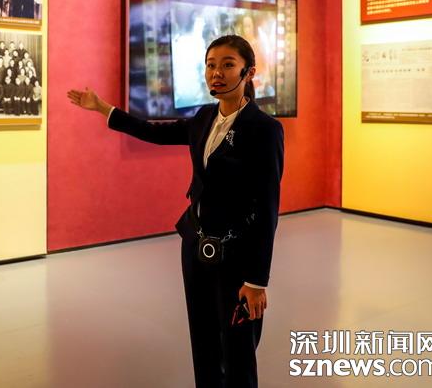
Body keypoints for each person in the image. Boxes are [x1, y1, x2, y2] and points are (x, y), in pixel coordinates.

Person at [67, 35, 284, 388]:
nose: (216, 73)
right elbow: (153, 132)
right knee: (204, 341)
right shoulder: (204, 117)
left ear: (249, 73)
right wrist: (103, 108)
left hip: (236, 254)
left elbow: (267, 208)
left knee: (238, 349)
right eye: (211, 65)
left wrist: (256, 281)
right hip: (196, 246)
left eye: (228, 65)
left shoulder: (265, 130)